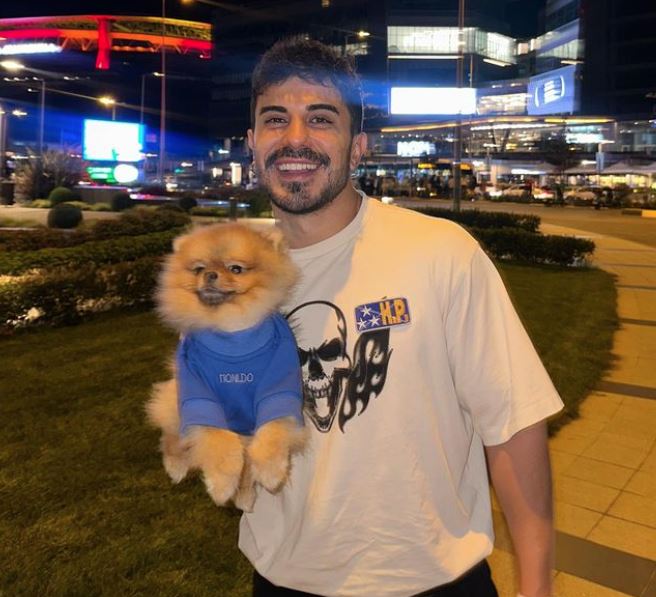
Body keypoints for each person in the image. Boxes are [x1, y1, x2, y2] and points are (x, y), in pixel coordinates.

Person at [242, 37, 563, 597]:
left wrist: (536, 586)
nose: (295, 138)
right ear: (252, 143)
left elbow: (513, 425)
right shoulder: (236, 275)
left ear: (357, 147)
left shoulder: (439, 252)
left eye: (320, 119)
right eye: (275, 119)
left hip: (434, 579)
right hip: (283, 578)